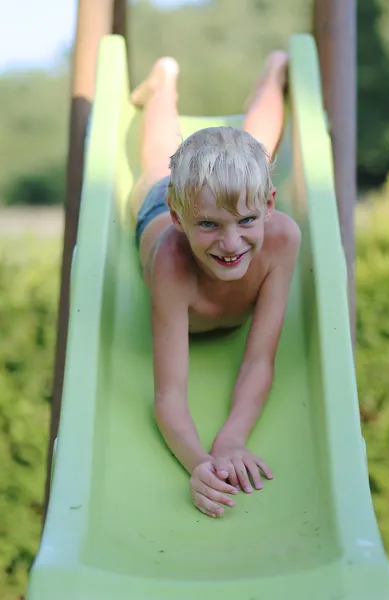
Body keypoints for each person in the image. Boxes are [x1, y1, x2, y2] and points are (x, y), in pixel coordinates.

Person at [130, 51, 301, 519]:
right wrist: (201, 464)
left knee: (255, 146)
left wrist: (232, 440)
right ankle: (163, 81)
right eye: (208, 225)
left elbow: (259, 359)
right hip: (157, 204)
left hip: (220, 193)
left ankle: (272, 71)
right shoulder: (171, 260)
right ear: (180, 216)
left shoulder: (281, 237)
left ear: (269, 205)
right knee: (155, 161)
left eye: (247, 220)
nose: (230, 244)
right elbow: (168, 395)